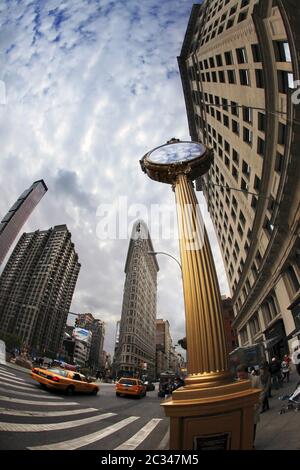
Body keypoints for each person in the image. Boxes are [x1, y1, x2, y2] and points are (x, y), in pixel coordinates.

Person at [236, 364, 263, 447]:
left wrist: (256, 405)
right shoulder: (237, 382)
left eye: (242, 375)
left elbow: (261, 393)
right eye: (239, 375)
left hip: (253, 408)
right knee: (243, 428)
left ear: (246, 373)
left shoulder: (255, 379)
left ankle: (251, 444)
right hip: (242, 409)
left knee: (252, 427)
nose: (240, 377)